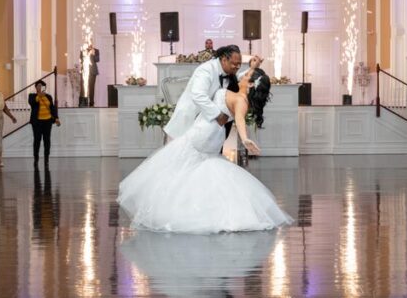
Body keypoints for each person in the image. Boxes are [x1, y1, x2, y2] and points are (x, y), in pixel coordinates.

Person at [118, 56, 291, 232]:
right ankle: (198, 208)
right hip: (211, 136)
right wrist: (253, 67)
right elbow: (240, 77)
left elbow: (240, 121)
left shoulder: (240, 101)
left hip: (203, 133)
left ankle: (180, 210)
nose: (241, 76)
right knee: (197, 170)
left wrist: (245, 138)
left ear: (252, 85)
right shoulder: (238, 93)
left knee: (180, 167)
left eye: (247, 77)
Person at [165, 44, 253, 140]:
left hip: (206, 124)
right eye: (235, 64)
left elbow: (241, 78)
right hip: (191, 117)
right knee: (186, 152)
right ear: (224, 60)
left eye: (239, 64)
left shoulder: (228, 71)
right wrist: (218, 115)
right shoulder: (206, 70)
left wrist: (253, 68)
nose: (237, 67)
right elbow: (198, 95)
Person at [28, 80, 60, 166]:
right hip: (37, 122)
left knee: (47, 140)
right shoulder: (32, 96)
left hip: (47, 121)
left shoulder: (49, 97)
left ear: (44, 88)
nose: (40, 87)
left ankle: (46, 158)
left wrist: (56, 118)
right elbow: (32, 103)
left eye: (42, 86)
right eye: (38, 86)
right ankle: (36, 158)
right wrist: (39, 96)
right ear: (36, 87)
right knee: (37, 140)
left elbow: (52, 108)